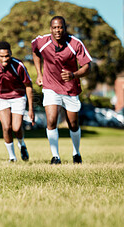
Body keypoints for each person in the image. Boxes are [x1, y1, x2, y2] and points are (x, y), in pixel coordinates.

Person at [32, 16, 92, 164]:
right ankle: (55, 156)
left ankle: (76, 153)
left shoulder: (75, 43)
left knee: (73, 124)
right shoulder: (42, 41)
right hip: (50, 87)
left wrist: (74, 75)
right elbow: (35, 51)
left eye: (60, 27)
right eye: (55, 27)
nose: (57, 30)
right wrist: (39, 74)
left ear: (65, 28)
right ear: (50, 28)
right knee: (51, 120)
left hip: (70, 88)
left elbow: (87, 67)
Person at [0, 41, 34, 162]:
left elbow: (28, 85)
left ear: (11, 53)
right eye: (1, 56)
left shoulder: (18, 65)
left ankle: (22, 144)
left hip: (18, 97)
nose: (5, 59)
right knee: (6, 127)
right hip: (0, 97)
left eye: (7, 56)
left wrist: (31, 108)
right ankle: (12, 157)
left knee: (16, 128)